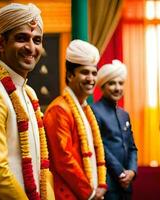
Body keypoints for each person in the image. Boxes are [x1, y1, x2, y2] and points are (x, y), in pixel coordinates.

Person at [0, 3, 54, 199]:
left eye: (37, 40)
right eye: (22, 38)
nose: (31, 48)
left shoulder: (29, 93)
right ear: (1, 43)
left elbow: (43, 165)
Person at [43, 40, 107, 200]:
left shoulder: (84, 109)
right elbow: (64, 161)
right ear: (70, 75)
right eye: (85, 72)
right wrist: (90, 193)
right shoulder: (59, 109)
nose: (91, 78)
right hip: (67, 193)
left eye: (94, 73)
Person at [91, 60, 138, 200]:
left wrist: (132, 171)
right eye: (112, 83)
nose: (117, 88)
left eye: (120, 83)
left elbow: (132, 148)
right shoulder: (94, 111)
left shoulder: (124, 114)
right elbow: (100, 147)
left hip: (126, 184)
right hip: (107, 184)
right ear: (102, 86)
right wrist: (121, 173)